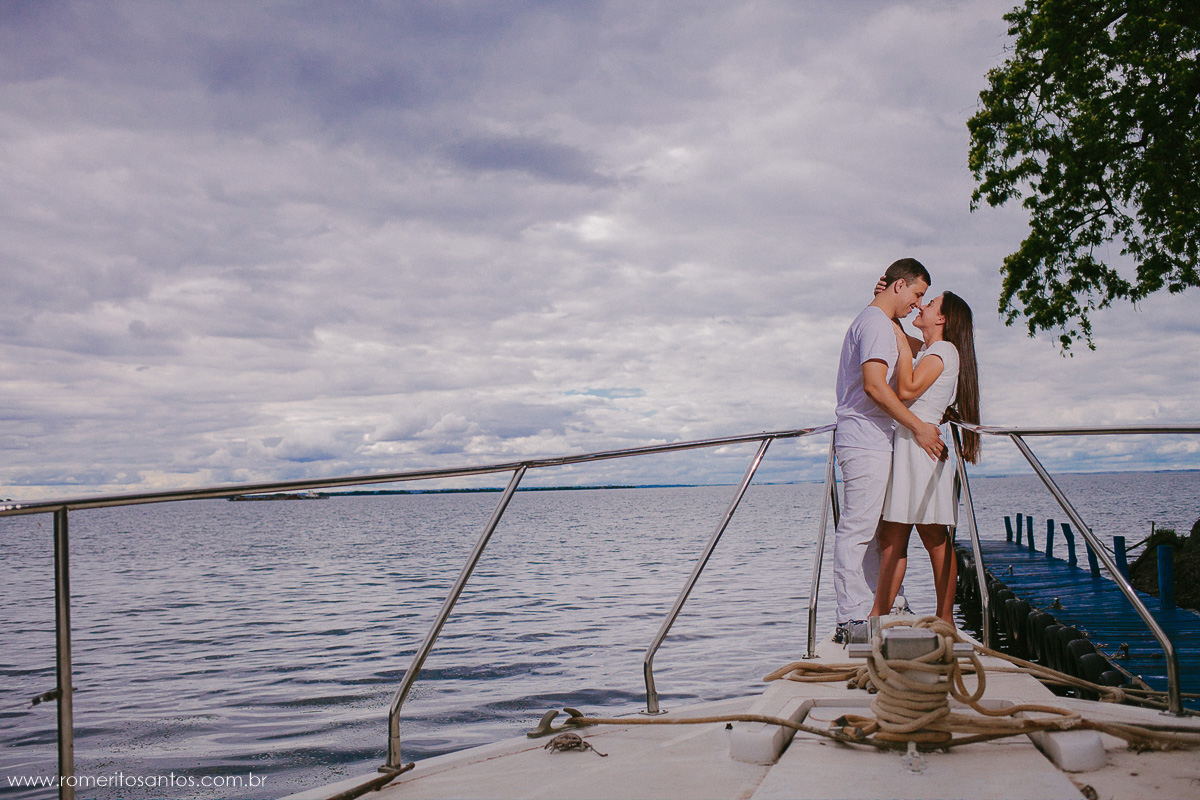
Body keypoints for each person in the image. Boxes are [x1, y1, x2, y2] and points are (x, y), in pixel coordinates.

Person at [832, 258, 945, 644]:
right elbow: (874, 387)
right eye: (916, 294)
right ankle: (851, 619)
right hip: (864, 438)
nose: (918, 304)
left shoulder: (879, 322)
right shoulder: (877, 324)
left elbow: (919, 348)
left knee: (876, 529)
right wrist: (919, 427)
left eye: (924, 300)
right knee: (858, 529)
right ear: (899, 286)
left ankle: (882, 608)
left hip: (874, 437)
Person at [869, 291, 981, 624]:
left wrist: (904, 347)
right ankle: (879, 616)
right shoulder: (932, 350)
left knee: (930, 537)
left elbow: (906, 389)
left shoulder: (943, 350)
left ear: (942, 319)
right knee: (894, 536)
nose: (921, 305)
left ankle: (941, 618)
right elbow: (896, 331)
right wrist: (884, 297)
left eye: (929, 304)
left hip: (922, 450)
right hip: (911, 446)